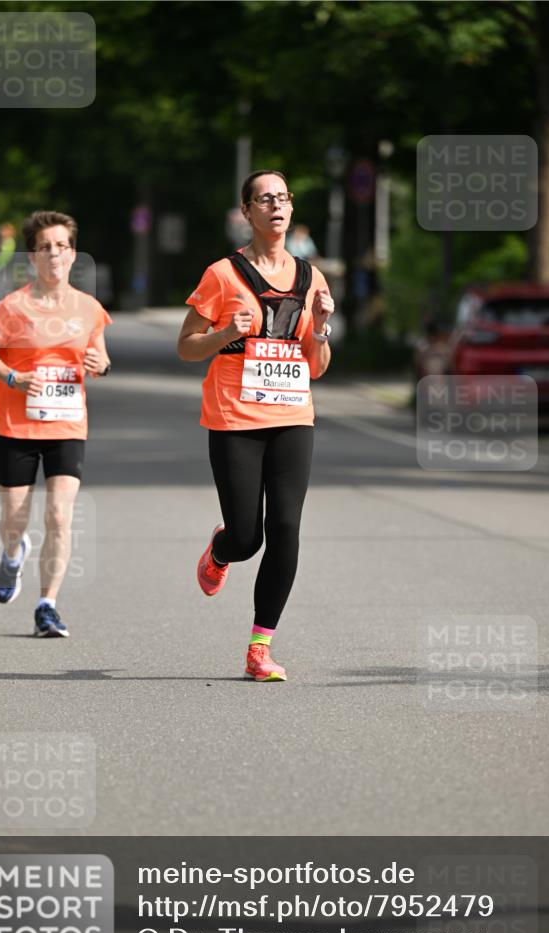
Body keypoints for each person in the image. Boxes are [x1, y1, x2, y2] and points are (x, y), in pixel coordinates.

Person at [178, 170, 334, 681]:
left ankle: (259, 648)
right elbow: (186, 347)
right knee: (248, 538)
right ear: (246, 212)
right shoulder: (223, 275)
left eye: (283, 198)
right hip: (234, 418)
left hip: (293, 417)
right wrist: (225, 331)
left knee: (286, 526)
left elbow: (316, 365)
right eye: (264, 199)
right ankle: (222, 548)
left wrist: (323, 328)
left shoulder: (312, 278)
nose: (276, 206)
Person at [0, 210, 112, 637]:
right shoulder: (13, 307)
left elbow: (101, 358)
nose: (55, 254)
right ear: (32, 257)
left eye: (62, 246)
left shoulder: (88, 309)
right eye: (46, 247)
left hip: (68, 425)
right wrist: (14, 377)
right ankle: (13, 554)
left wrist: (100, 364)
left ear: (73, 254)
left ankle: (47, 605)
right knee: (14, 519)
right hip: (17, 425)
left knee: (59, 515)